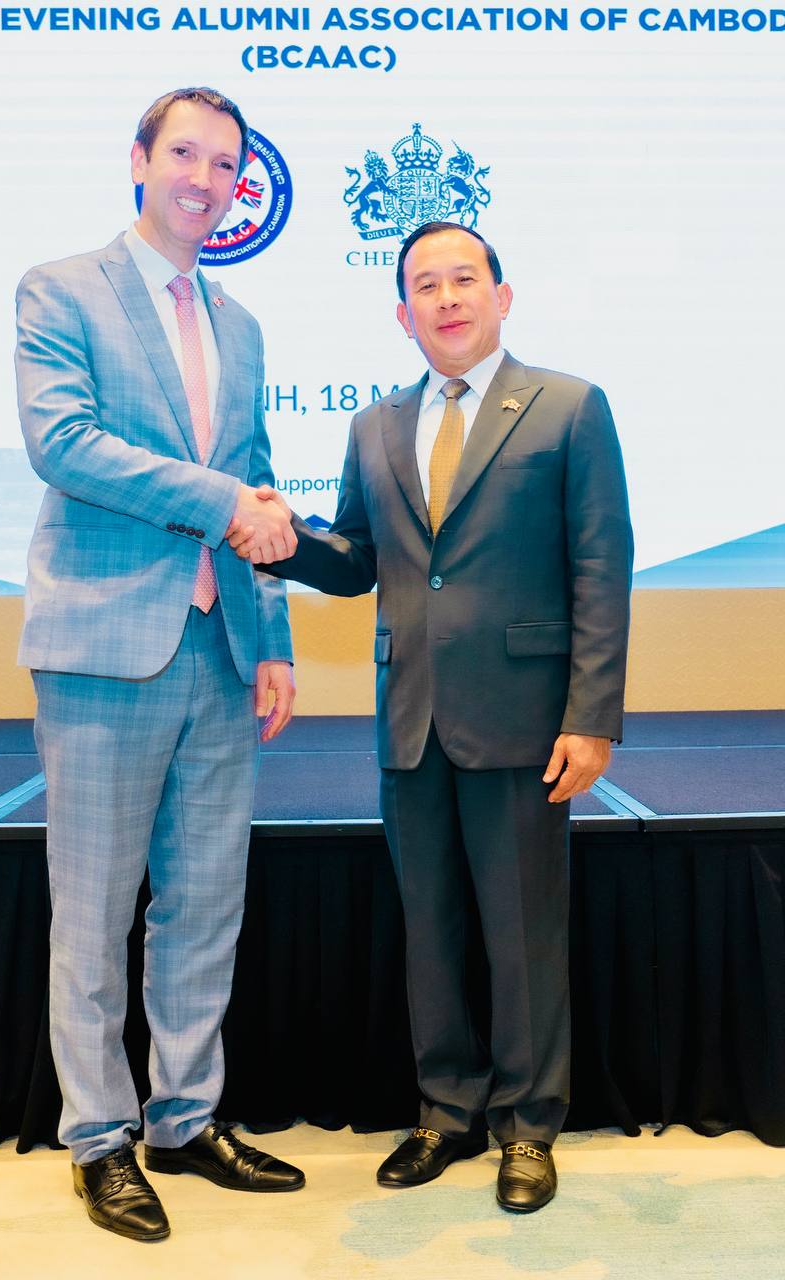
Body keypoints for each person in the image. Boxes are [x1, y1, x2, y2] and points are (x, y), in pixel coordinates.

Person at [231, 221, 633, 1213]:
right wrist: (285, 540)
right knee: (432, 931)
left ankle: (528, 1125)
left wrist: (592, 714)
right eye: (426, 285)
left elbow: (600, 563)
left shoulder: (569, 406)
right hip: (410, 717)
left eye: (464, 279)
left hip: (527, 719)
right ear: (402, 314)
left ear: (502, 295)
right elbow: (357, 560)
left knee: (523, 933)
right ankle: (446, 1111)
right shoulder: (374, 425)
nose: (447, 298)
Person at [15, 86, 304, 1244]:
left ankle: (185, 1118)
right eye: (185, 153)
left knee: (203, 907)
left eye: (225, 164)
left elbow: (261, 480)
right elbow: (65, 443)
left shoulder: (243, 325)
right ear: (139, 161)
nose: (204, 178)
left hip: (220, 650)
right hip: (102, 645)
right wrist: (223, 498)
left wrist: (272, 639)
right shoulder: (60, 288)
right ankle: (100, 1138)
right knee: (91, 915)